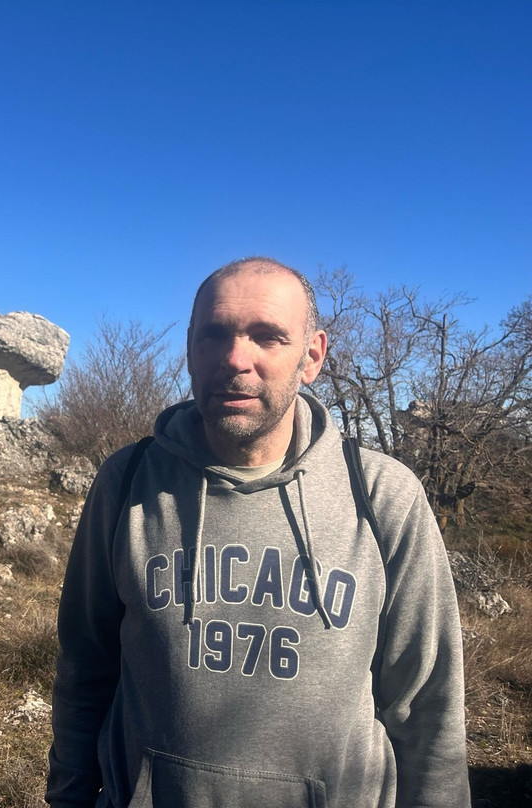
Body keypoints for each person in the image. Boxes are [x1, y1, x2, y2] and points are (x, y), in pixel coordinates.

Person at [46, 258, 470, 808]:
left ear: (312, 356)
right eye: (214, 335)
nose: (234, 360)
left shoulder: (384, 496)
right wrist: (69, 797)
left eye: (267, 337)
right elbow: (85, 664)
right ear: (190, 351)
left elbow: (428, 705)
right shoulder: (127, 481)